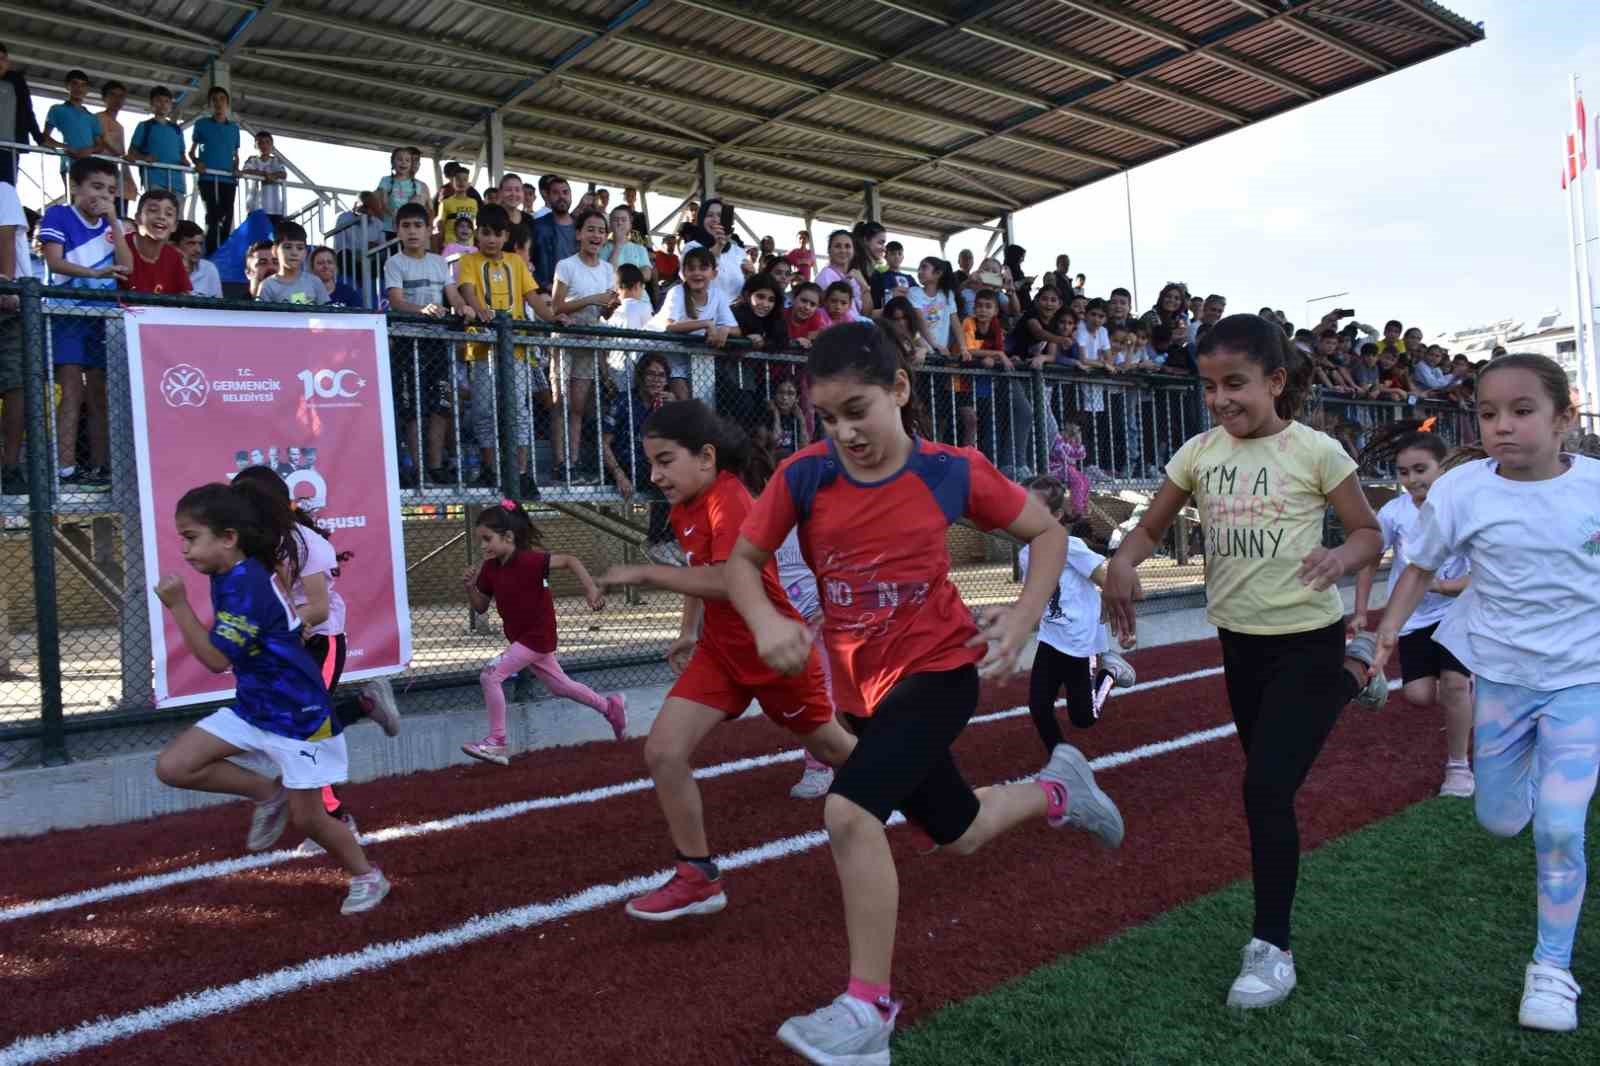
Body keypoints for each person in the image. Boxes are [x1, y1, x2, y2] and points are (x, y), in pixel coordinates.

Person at [729, 324, 1123, 1063]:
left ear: (900, 390)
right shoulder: (805, 475)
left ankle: (868, 1011)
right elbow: (743, 560)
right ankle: (1059, 789)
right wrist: (763, 621)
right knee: (960, 831)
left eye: (858, 410)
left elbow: (1047, 535)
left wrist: (1024, 617)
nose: (845, 432)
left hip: (941, 672)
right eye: (828, 417)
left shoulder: (949, 470)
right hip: (863, 693)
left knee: (849, 811)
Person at [1102, 313, 1388, 1012]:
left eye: (1235, 384)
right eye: (1209, 387)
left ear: (1276, 381)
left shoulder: (1316, 451)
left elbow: (1368, 532)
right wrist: (1123, 562)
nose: (1221, 399)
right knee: (1267, 780)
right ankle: (1357, 675)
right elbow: (1150, 526)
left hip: (1306, 639)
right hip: (1238, 643)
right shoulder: (1198, 453)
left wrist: (1341, 557)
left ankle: (1271, 947)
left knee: (1265, 792)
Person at [1372, 354, 1600, 1033]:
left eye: (1522, 411)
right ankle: (1533, 786)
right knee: (1501, 819)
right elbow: (1419, 567)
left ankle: (1552, 970)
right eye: (1489, 413)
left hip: (1584, 681)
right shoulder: (1462, 491)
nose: (1502, 426)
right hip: (1500, 676)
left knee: (1558, 827)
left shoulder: (1595, 487)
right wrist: (1387, 632)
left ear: (1563, 418)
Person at [595, 400, 857, 922]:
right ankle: (697, 876)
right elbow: (703, 572)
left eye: (665, 461)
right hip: (721, 652)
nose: (655, 476)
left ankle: (918, 791)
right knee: (663, 752)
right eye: (650, 463)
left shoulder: (730, 499)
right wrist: (687, 631)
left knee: (834, 750)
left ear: (706, 457)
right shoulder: (684, 505)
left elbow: (728, 579)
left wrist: (646, 574)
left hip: (774, 654)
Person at [151, 480, 390, 914]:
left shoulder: (246, 586)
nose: (184, 550)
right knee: (174, 766)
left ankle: (367, 876)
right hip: (256, 706)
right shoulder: (233, 572)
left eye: (191, 538)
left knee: (310, 818)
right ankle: (267, 792)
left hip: (298, 716)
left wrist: (178, 606)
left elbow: (215, 660)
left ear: (228, 538)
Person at [228, 466, 401, 849]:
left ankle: (336, 820)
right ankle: (364, 704)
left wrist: (290, 624)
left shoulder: (305, 544)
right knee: (296, 728)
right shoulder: (252, 543)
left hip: (320, 642)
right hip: (287, 643)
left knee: (306, 731)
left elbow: (319, 609)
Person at [1352, 423, 1474, 798]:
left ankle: (1459, 766)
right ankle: (1471, 699)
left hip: (1459, 613)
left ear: (1442, 468)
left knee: (1454, 684)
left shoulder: (1464, 507)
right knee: (1419, 694)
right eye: (1403, 472)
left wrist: (1444, 587)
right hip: (1414, 616)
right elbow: (1370, 560)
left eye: (1421, 469)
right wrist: (1361, 611)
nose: (1412, 479)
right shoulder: (1394, 512)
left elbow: (1483, 574)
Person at [460, 500, 627, 765]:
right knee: (560, 686)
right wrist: (470, 587)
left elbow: (571, 560)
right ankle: (610, 708)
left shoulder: (531, 561)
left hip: (536, 637)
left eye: (487, 539)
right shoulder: (490, 568)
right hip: (522, 638)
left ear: (508, 537)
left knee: (490, 676)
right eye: (480, 540)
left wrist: (591, 589)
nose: (482, 546)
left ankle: (497, 741)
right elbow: (480, 607)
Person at [1020, 475, 1138, 755]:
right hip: (1051, 638)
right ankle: (1061, 759)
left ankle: (1109, 673)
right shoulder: (1025, 553)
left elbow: (1108, 582)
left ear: (1056, 516)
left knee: (1084, 718)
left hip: (1080, 642)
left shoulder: (1069, 546)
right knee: (1038, 706)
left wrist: (1122, 623)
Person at [457, 203, 559, 497]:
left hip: (516, 351)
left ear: (505, 236)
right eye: (486, 233)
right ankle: (490, 469)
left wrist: (553, 317)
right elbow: (467, 290)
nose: (491, 239)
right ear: (477, 233)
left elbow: (533, 297)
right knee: (484, 411)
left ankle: (522, 473)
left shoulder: (516, 262)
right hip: (482, 350)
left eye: (497, 234)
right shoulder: (468, 261)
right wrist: (480, 310)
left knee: (519, 412)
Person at [41, 156, 130, 488]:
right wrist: (93, 274)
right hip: (66, 313)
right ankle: (65, 469)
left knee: (99, 394)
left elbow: (127, 267)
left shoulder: (111, 225)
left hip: (102, 317)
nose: (103, 195)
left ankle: (100, 466)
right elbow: (54, 261)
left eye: (110, 190)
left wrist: (114, 222)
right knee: (71, 391)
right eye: (96, 187)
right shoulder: (58, 215)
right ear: (75, 186)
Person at [552, 208, 621, 479]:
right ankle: (560, 463)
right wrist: (592, 299)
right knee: (561, 402)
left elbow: (604, 313)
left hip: (589, 341)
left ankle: (573, 461)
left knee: (578, 406)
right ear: (579, 234)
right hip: (565, 340)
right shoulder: (566, 265)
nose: (596, 235)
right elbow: (557, 306)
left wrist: (610, 306)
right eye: (591, 229)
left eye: (601, 231)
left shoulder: (607, 269)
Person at [602, 353, 676, 561]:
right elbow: (603, 443)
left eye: (661, 375)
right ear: (641, 377)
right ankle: (655, 540)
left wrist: (676, 408)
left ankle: (664, 540)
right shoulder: (623, 401)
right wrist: (619, 475)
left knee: (692, 482)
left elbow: (682, 441)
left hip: (654, 466)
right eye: (651, 374)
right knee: (668, 481)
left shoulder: (665, 404)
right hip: (625, 466)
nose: (656, 380)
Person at [648, 246, 739, 402]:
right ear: (683, 273)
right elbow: (670, 326)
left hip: (693, 356)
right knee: (686, 402)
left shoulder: (718, 295)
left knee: (705, 403)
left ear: (714, 273)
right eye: (691, 269)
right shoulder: (676, 292)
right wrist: (707, 324)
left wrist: (724, 329)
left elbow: (736, 330)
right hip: (662, 354)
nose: (697, 273)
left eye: (703, 268)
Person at [0, 175, 31, 492]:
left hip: (9, 304)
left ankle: (10, 465)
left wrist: (5, 284)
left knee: (16, 385)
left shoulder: (3, 191)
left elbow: (5, 237)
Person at [188, 87, 241, 255]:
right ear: (210, 104)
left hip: (228, 180)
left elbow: (235, 155)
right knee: (212, 216)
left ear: (227, 104)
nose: (218, 103)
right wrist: (198, 162)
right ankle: (210, 254)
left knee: (226, 218)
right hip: (207, 178)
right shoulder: (201, 124)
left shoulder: (234, 128)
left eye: (222, 99)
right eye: (214, 100)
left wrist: (236, 168)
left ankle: (222, 255)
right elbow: (191, 152)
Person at [119, 189, 190, 295]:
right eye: (153, 210)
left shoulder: (174, 257)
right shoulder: (121, 244)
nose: (161, 217)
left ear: (174, 226)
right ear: (138, 218)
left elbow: (185, 297)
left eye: (169, 214)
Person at [41, 70, 100, 182]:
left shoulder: (92, 117)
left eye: (83, 85)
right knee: (72, 192)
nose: (79, 88)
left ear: (87, 89)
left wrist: (89, 150)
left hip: (89, 165)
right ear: (67, 86)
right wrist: (66, 147)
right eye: (75, 83)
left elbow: (100, 145)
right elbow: (44, 137)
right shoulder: (57, 109)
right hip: (68, 163)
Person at [128, 86, 186, 196]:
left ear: (171, 105)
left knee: (176, 207)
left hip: (177, 182)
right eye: (159, 100)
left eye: (166, 101)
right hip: (154, 179)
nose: (163, 104)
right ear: (152, 104)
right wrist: (144, 158)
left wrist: (185, 162)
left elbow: (182, 154)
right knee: (156, 205)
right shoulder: (144, 126)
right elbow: (131, 153)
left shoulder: (177, 129)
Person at [0, 44, 44, 187]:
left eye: (2, 59)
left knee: (6, 191)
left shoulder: (16, 81)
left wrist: (40, 139)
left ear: (8, 62)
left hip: (9, 150)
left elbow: (27, 112)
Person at [257, 220, 328, 305]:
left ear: (305, 252)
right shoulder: (267, 286)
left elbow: (327, 311)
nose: (294, 253)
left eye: (300, 248)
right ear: (275, 250)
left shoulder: (315, 282)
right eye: (288, 247)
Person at [95, 81, 138, 216]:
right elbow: (100, 141)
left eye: (120, 96)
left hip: (117, 177)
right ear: (104, 98)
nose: (117, 99)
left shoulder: (120, 127)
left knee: (119, 218)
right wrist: (119, 155)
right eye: (112, 95)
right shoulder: (97, 118)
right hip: (100, 173)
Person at [531, 173, 575, 291]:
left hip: (577, 292)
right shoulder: (537, 226)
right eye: (556, 193)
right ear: (548, 197)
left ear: (571, 195)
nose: (561, 196)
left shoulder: (581, 227)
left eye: (565, 192)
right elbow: (528, 262)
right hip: (546, 293)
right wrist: (545, 285)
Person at [240, 130, 288, 232]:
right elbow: (246, 171)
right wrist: (265, 175)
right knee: (257, 238)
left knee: (274, 237)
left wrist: (272, 176)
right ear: (255, 145)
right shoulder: (252, 160)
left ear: (272, 145)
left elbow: (283, 174)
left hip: (275, 209)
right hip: (255, 208)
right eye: (260, 143)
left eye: (267, 142)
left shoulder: (276, 160)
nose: (264, 145)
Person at [376, 146, 429, 239]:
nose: (403, 162)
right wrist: (394, 214)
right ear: (392, 162)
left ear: (411, 164)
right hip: (389, 228)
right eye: (399, 159)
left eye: (407, 160)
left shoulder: (417, 185)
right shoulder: (385, 180)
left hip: (409, 229)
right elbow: (383, 204)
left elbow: (416, 207)